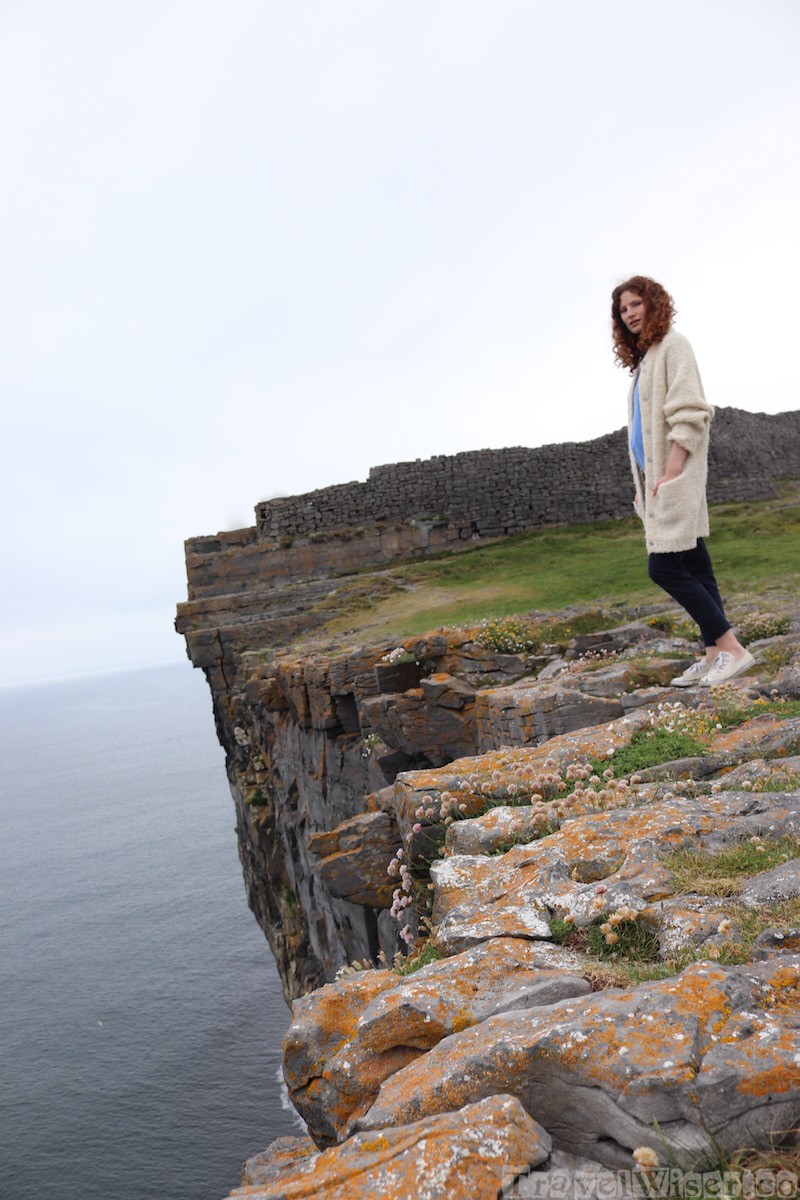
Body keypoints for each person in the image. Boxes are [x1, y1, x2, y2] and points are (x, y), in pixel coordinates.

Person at [611, 275, 755, 686]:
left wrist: (672, 472)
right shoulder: (646, 360)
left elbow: (691, 411)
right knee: (696, 565)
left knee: (663, 567)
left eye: (636, 304)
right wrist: (644, 482)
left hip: (674, 477)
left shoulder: (674, 345)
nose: (630, 313)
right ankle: (713, 655)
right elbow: (643, 431)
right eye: (623, 310)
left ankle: (732, 648)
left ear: (654, 303)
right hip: (656, 481)